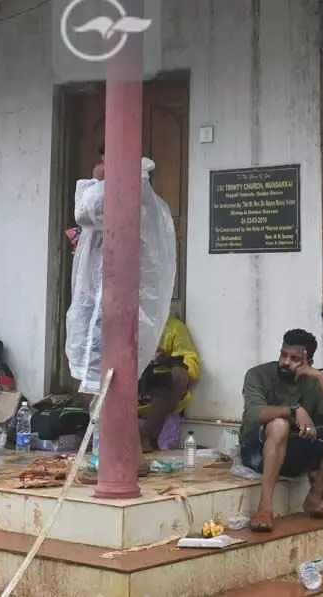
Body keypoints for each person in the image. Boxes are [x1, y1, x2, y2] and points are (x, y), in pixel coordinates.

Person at [65, 153, 178, 396]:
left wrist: (96, 179)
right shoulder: (140, 198)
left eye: (107, 160)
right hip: (108, 304)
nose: (101, 166)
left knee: (108, 385)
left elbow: (86, 211)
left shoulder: (131, 194)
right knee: (99, 388)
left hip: (118, 308)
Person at [239, 328, 323, 533]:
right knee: (279, 425)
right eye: (283, 354)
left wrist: (320, 377)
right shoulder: (258, 375)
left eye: (294, 358)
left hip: (295, 453)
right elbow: (252, 414)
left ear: (308, 363)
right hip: (257, 453)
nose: (285, 362)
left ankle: (314, 498)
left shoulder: (312, 380)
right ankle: (265, 507)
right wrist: (293, 411)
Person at [138, 313, 201, 451]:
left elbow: (190, 363)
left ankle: (146, 434)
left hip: (158, 387)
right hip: (127, 383)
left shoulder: (173, 327)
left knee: (178, 376)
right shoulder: (120, 326)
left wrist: (166, 359)